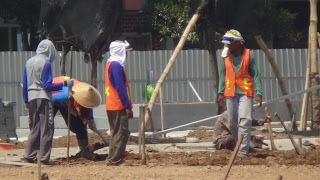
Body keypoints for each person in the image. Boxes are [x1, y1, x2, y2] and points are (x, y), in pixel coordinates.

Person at [22, 39, 74, 165]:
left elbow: (25, 84)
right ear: (50, 50)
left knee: (35, 128)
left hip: (31, 98)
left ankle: (29, 155)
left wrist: (26, 101)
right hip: (44, 98)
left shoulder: (29, 62)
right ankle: (44, 158)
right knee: (47, 128)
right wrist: (64, 84)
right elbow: (47, 85)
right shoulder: (45, 64)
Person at [217, 29, 263, 157]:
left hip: (245, 92)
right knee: (232, 123)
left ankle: (242, 152)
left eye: (230, 43)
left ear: (237, 42)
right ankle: (239, 146)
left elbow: (256, 75)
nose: (228, 45)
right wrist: (220, 92)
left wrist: (259, 93)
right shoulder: (225, 55)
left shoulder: (249, 54)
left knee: (245, 121)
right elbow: (222, 74)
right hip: (230, 92)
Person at [52, 76, 102, 160]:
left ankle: (84, 151)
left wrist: (91, 119)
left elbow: (88, 106)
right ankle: (40, 154)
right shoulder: (66, 95)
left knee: (79, 127)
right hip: (52, 96)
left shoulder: (87, 94)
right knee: (46, 128)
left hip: (68, 101)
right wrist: (71, 109)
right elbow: (48, 98)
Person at [105, 40, 133, 165]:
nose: (126, 55)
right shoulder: (116, 66)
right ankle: (116, 159)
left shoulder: (109, 64)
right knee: (121, 132)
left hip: (111, 104)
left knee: (115, 132)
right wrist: (127, 106)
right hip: (118, 104)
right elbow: (120, 87)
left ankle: (112, 157)